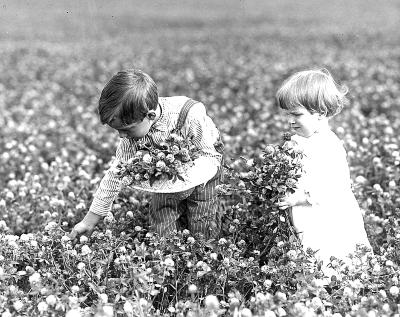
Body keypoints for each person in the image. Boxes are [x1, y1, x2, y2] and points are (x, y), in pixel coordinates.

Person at [70, 69, 223, 240]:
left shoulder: (189, 116)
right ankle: (166, 252)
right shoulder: (131, 139)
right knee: (162, 219)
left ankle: (204, 254)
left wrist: (186, 183)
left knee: (203, 218)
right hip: (165, 173)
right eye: (117, 131)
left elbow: (209, 155)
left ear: (150, 115)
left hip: (203, 170)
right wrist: (89, 221)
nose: (121, 136)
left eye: (125, 129)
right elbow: (116, 174)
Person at [275, 68, 372, 263]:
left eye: (297, 115)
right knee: (308, 255)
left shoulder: (329, 145)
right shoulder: (301, 140)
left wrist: (299, 198)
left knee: (328, 255)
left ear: (320, 113)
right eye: (288, 115)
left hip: (327, 217)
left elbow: (334, 187)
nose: (290, 121)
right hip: (306, 214)